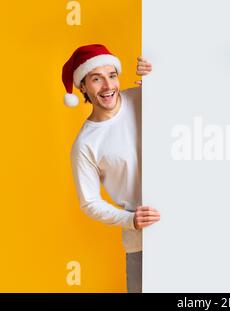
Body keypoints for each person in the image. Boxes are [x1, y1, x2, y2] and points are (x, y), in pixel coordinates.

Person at [62, 44, 159, 293]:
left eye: (112, 76)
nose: (108, 86)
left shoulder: (143, 97)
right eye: (96, 79)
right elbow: (89, 203)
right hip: (142, 242)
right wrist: (131, 220)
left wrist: (161, 76)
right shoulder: (85, 144)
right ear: (82, 86)